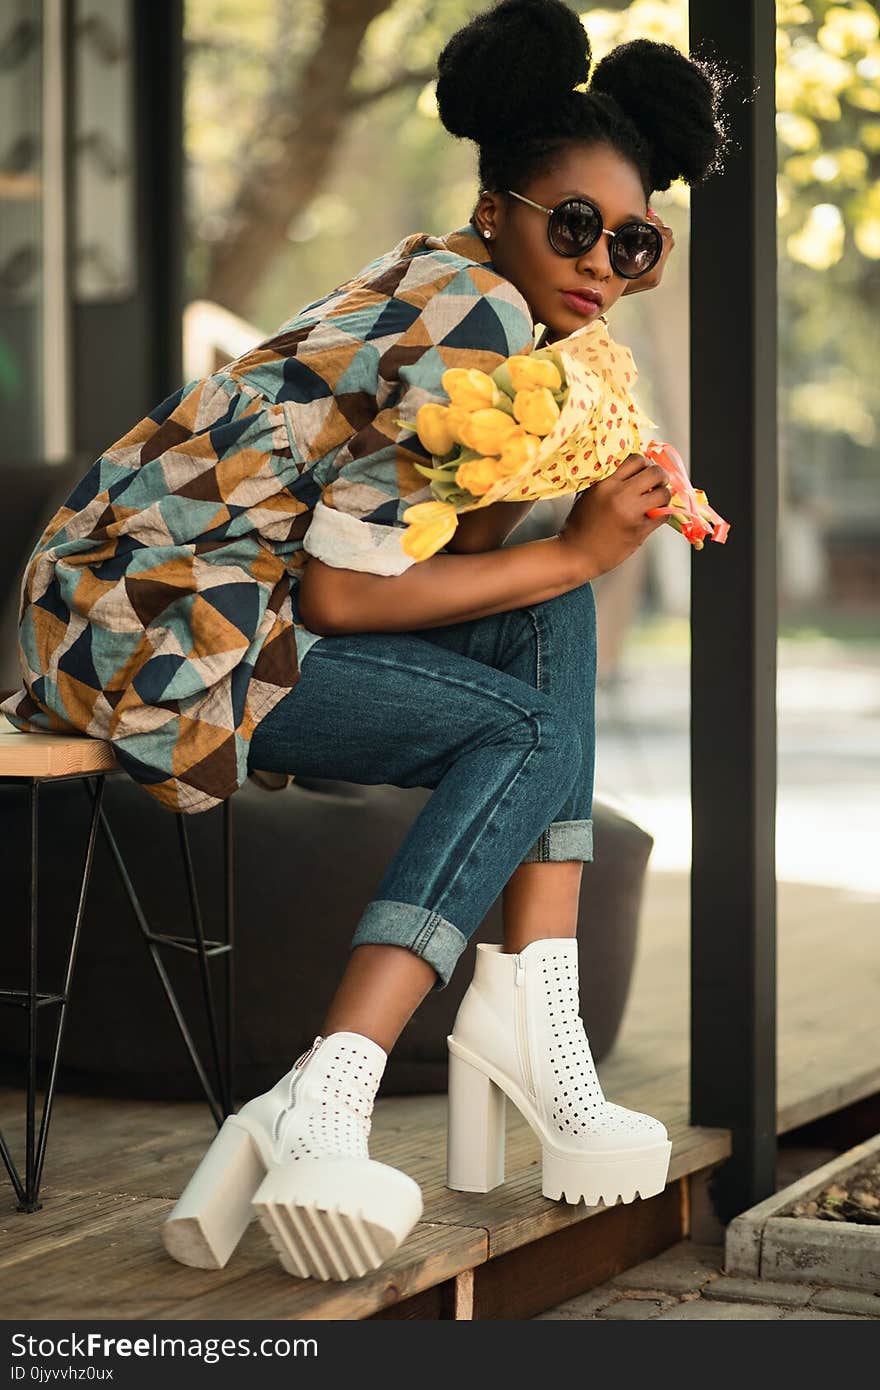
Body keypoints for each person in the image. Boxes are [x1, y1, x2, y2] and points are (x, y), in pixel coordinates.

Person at [2, 0, 733, 1283]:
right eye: (573, 224)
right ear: (498, 202)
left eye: (634, 242)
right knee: (520, 723)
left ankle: (525, 1016)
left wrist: (561, 497)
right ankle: (339, 1082)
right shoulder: (477, 322)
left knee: (545, 612)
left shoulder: (461, 286)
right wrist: (578, 545)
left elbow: (440, 555)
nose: (602, 263)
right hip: (164, 631)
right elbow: (342, 603)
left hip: (132, 601)